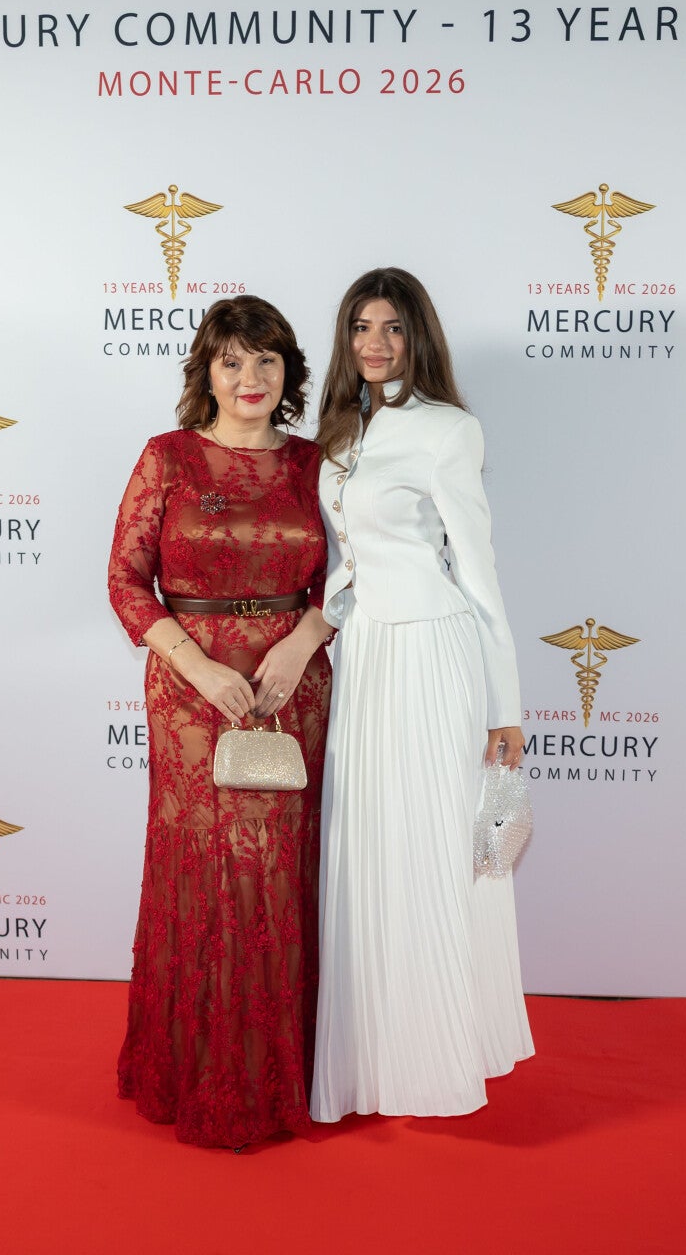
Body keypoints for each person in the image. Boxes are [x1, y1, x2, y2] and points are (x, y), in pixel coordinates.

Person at [106, 295, 334, 1148]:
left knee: (273, 874)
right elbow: (126, 580)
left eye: (266, 360)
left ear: (288, 371)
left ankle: (277, 1071)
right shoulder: (167, 458)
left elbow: (352, 578)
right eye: (232, 361)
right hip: (191, 697)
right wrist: (199, 666)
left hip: (291, 689)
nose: (250, 378)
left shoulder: (316, 464)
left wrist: (304, 642)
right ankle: (198, 1066)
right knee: (209, 870)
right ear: (206, 371)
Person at [309, 267, 534, 1122]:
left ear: (418, 338)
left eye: (394, 328)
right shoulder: (338, 432)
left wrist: (505, 708)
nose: (376, 343)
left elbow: (478, 573)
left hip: (435, 654)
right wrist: (321, 623)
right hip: (367, 658)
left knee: (435, 850)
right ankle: (378, 1061)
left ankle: (438, 1059)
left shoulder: (447, 430)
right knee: (370, 849)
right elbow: (350, 561)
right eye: (362, 326)